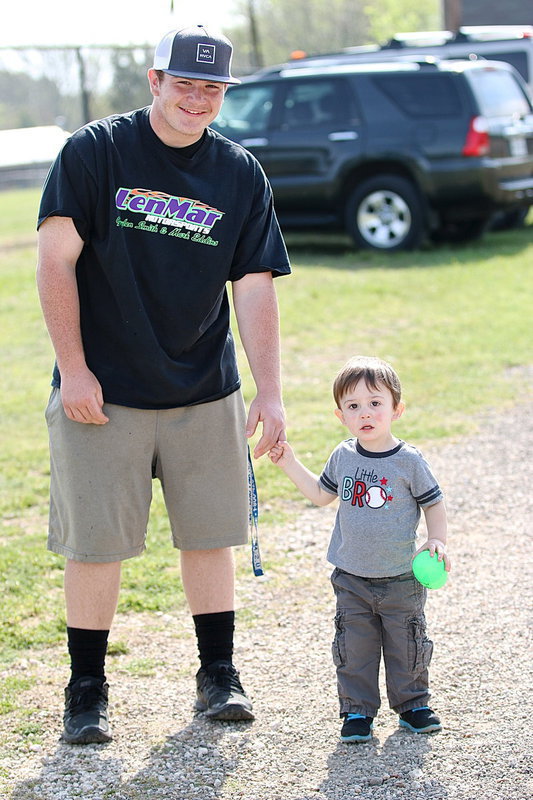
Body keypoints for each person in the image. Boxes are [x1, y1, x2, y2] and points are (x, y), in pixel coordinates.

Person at [36, 24, 290, 745]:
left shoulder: (238, 173)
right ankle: (86, 691)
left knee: (209, 537)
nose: (198, 99)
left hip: (203, 388)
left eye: (212, 88)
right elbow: (55, 264)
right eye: (185, 84)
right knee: (95, 545)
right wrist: (75, 368)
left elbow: (254, 286)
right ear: (155, 81)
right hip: (103, 391)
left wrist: (267, 392)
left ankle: (219, 675)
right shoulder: (95, 152)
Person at [269, 356, 450, 743]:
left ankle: (414, 704)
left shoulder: (409, 461)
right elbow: (320, 495)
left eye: (375, 403)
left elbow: (434, 503)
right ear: (341, 416)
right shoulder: (344, 456)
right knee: (354, 647)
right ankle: (357, 711)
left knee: (407, 642)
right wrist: (289, 463)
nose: (364, 413)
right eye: (353, 406)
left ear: (396, 409)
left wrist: (436, 539)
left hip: (402, 576)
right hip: (351, 577)